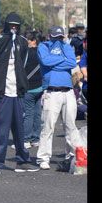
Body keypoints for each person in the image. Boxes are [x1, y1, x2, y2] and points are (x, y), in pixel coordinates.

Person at [0, 13, 39, 175]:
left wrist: (21, 83)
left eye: (16, 25)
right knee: (1, 130)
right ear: (6, 25)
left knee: (20, 129)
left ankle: (23, 161)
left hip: (18, 92)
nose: (13, 28)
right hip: (3, 92)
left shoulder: (23, 42)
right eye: (11, 25)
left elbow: (22, 64)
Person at [35, 25, 83, 170]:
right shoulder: (43, 46)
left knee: (71, 126)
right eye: (56, 37)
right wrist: (61, 60)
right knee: (48, 126)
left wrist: (55, 61)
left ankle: (72, 155)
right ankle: (43, 157)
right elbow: (45, 61)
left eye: (60, 37)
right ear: (50, 36)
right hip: (51, 91)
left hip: (68, 92)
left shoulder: (67, 46)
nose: (58, 40)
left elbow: (71, 62)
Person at [22, 31, 45, 149]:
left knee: (28, 114)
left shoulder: (25, 53)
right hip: (40, 87)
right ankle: (36, 138)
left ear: (33, 41)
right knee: (37, 113)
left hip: (29, 88)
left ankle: (26, 139)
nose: (26, 42)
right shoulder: (42, 52)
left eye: (28, 40)